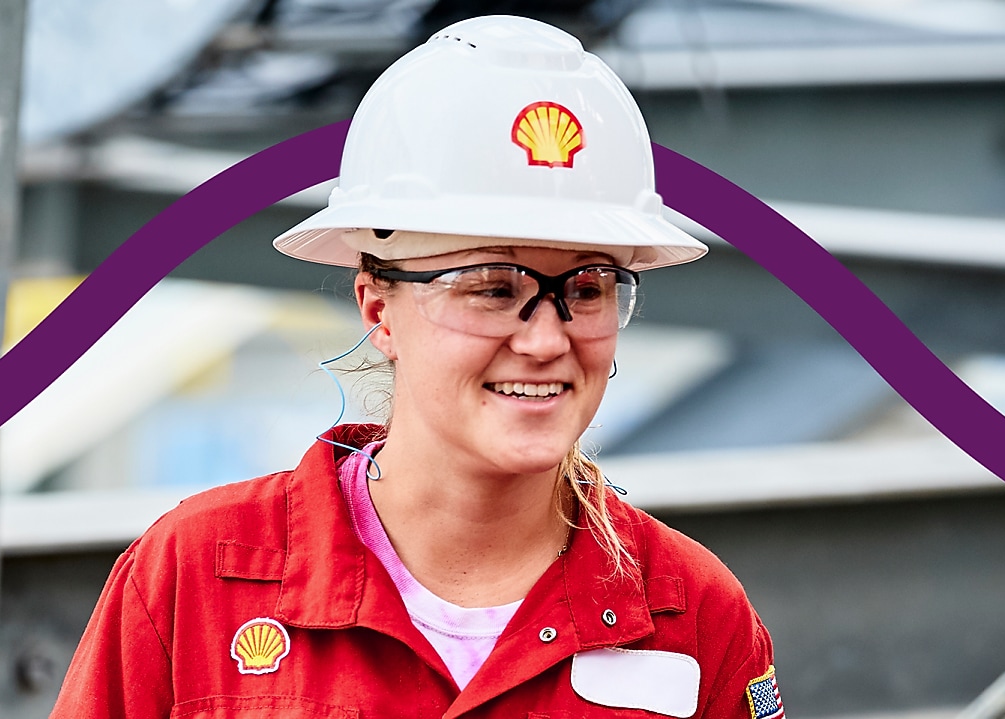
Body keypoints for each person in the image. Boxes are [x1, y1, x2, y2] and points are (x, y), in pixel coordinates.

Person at [50, 14, 781, 719]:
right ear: (377, 309)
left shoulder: (693, 614)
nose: (546, 338)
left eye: (586, 288)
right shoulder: (197, 579)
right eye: (495, 288)